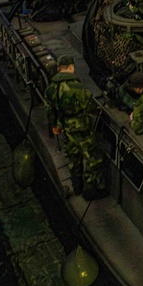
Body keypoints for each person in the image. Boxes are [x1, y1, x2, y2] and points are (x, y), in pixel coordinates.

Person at [45, 55, 106, 199]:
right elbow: (91, 107)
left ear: (59, 68)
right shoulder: (78, 87)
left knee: (73, 156)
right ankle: (90, 190)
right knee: (91, 157)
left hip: (65, 127)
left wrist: (54, 126)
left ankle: (77, 186)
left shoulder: (51, 89)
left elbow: (49, 110)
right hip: (81, 127)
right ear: (71, 67)